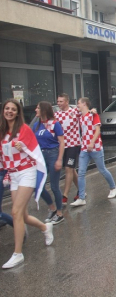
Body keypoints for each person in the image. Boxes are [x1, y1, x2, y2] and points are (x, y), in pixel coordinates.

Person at [1, 99, 54, 269]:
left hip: (27, 173)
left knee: (15, 212)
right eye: (7, 108)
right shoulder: (2, 131)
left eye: (13, 109)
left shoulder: (23, 129)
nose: (9, 111)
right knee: (21, 215)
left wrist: (22, 146)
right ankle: (45, 227)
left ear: (18, 113)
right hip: (14, 175)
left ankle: (18, 254)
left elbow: (34, 151)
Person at [70, 97, 116, 207]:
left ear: (84, 104)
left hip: (96, 148)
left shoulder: (93, 115)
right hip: (84, 149)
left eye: (79, 103)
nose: (77, 105)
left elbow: (97, 130)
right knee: (81, 172)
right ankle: (81, 197)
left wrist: (92, 142)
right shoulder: (80, 116)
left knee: (102, 169)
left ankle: (113, 187)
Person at [33, 102, 65, 225]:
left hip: (53, 154)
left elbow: (61, 142)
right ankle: (52, 208)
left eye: (38, 108)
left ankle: (59, 213)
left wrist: (59, 159)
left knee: (54, 186)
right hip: (41, 156)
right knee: (38, 185)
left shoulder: (55, 124)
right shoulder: (36, 125)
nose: (36, 109)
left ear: (44, 110)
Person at [55, 93, 80, 204]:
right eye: (58, 101)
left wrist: (92, 111)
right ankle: (81, 190)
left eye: (61, 101)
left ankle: (64, 196)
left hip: (73, 145)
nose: (59, 103)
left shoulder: (75, 112)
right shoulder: (56, 115)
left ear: (67, 102)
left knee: (68, 169)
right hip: (62, 146)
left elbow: (87, 113)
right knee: (71, 169)